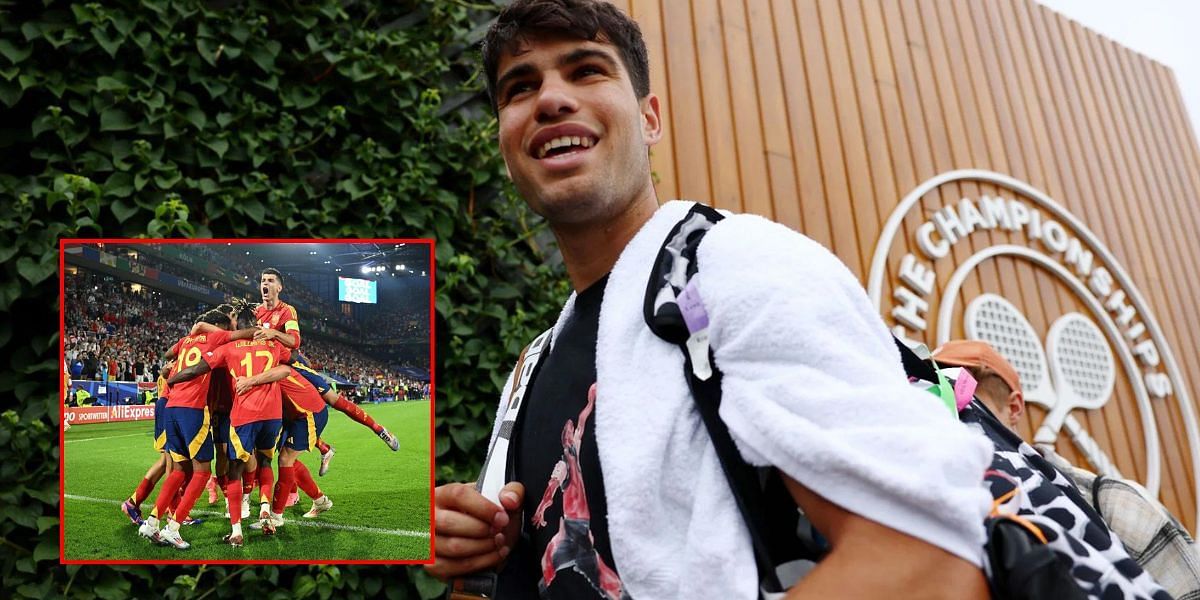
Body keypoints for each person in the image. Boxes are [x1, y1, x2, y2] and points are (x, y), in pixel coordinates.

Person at [428, 2, 999, 598]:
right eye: (520, 87)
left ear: (650, 119)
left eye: (587, 70)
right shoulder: (532, 367)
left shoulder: (737, 264)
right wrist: (494, 552)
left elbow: (929, 562)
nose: (549, 98)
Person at [933, 339, 1200, 599]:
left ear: (1013, 407)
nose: (957, 415)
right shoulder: (942, 503)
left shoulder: (1111, 500)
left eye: (963, 399)